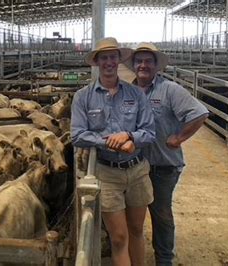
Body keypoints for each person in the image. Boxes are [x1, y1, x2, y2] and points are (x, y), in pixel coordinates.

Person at [71, 37, 156, 266]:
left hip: (137, 169)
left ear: (119, 60)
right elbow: (77, 135)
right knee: (119, 237)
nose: (109, 62)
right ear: (97, 62)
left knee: (137, 230)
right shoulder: (83, 97)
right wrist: (109, 141)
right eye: (104, 58)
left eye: (113, 57)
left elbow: (149, 132)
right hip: (107, 173)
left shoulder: (135, 94)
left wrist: (129, 137)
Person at [124, 42, 209, 265]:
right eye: (139, 61)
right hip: (135, 165)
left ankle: (164, 259)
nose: (143, 65)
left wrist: (180, 137)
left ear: (156, 66)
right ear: (133, 65)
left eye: (148, 61)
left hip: (163, 166)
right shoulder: (128, 92)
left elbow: (200, 114)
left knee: (160, 214)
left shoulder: (170, 90)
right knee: (133, 215)